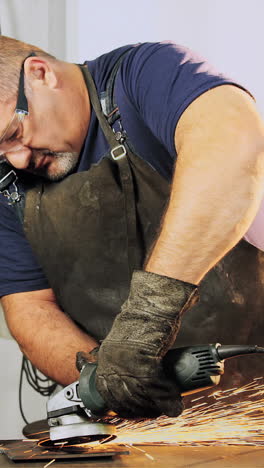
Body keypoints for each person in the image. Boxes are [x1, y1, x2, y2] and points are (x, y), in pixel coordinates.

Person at [0, 36, 264, 418]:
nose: (19, 160)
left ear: (40, 75)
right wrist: (106, 379)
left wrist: (147, 319)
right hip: (157, 424)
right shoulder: (9, 183)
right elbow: (29, 307)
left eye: (12, 134)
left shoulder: (145, 74)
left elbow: (234, 146)